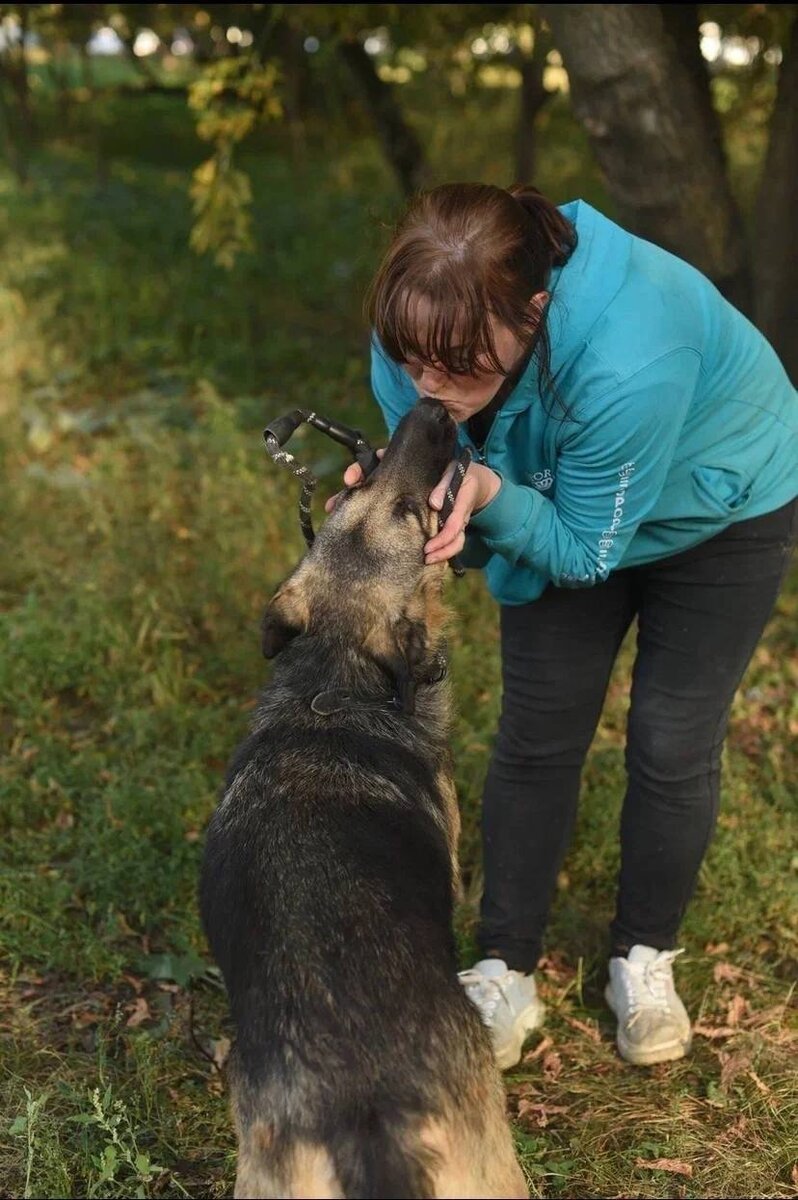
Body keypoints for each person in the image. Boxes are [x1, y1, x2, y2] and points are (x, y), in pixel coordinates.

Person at [326, 182, 798, 1069]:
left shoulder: (632, 353)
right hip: (562, 500)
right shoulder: (427, 331)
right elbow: (438, 473)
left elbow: (583, 552)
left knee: (671, 737)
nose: (427, 386)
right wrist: (408, 508)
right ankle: (506, 965)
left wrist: (492, 496)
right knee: (538, 735)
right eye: (410, 359)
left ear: (533, 309)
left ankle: (643, 956)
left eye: (458, 364)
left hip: (720, 509)